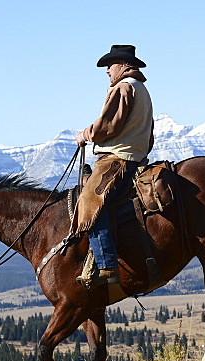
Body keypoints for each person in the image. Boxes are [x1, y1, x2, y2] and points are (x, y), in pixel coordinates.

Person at [72, 44, 154, 286]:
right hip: (136, 156)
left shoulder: (123, 87)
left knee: (90, 204)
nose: (107, 70)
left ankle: (107, 266)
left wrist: (85, 134)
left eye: (110, 65)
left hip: (118, 158)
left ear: (124, 65)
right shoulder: (142, 89)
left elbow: (109, 125)